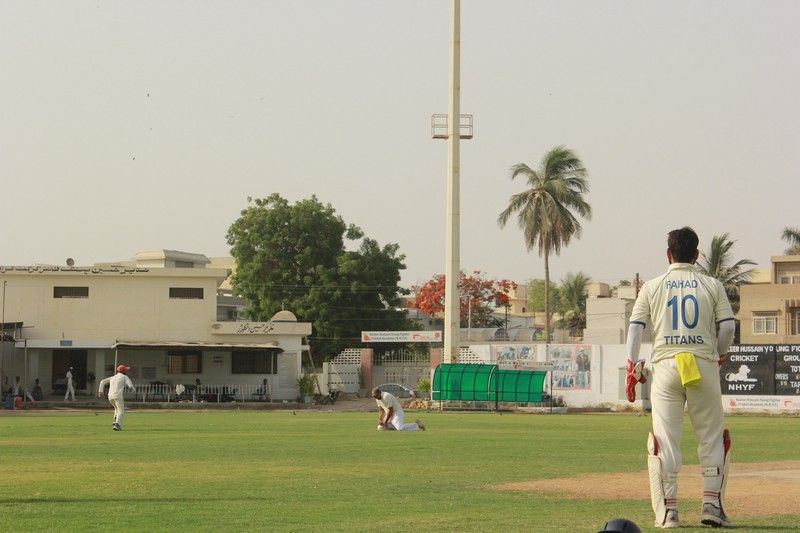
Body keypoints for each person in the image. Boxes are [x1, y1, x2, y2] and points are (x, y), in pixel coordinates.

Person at [626, 227, 735, 529]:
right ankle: (711, 506)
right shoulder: (712, 285)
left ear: (668, 254)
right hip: (702, 364)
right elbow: (727, 327)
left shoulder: (652, 286)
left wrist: (631, 365)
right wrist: (719, 353)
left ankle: (669, 512)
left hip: (666, 366)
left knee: (664, 439)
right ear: (697, 254)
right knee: (712, 437)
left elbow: (635, 328)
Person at [97, 364, 136, 431]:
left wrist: (100, 391)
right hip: (118, 396)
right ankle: (117, 424)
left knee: (116, 408)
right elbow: (130, 386)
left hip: (110, 396)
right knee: (121, 410)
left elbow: (102, 381)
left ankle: (115, 421)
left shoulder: (113, 377)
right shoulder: (125, 377)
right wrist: (134, 390)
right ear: (124, 371)